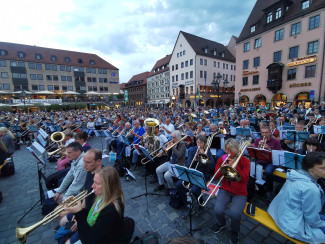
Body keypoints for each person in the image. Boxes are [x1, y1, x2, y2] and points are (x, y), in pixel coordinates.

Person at [268, 152, 325, 243]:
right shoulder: (311, 189)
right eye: (322, 168)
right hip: (291, 224)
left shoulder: (295, 175)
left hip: (280, 212)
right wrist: (321, 224)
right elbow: (312, 219)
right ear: (310, 168)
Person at [64, 167, 125, 244]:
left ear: (108, 186)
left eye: (97, 183)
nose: (92, 186)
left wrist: (79, 214)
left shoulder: (112, 209)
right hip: (91, 228)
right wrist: (78, 211)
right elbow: (93, 211)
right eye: (94, 182)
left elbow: (90, 240)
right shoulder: (100, 194)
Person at [59, 149, 103, 243]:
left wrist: (80, 217)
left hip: (92, 216)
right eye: (83, 161)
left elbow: (97, 207)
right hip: (84, 210)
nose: (84, 165)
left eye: (88, 162)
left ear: (98, 161)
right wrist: (80, 211)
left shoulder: (101, 177)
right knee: (62, 221)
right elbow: (86, 194)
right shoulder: (89, 171)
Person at [213, 138, 250, 244]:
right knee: (217, 210)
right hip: (225, 189)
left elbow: (245, 180)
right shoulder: (222, 159)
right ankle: (222, 224)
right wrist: (223, 167)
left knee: (234, 213)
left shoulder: (245, 161)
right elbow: (216, 176)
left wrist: (236, 166)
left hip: (239, 192)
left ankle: (235, 231)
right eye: (226, 150)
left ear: (237, 149)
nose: (228, 153)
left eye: (231, 150)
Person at [176, 135, 214, 218]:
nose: (199, 145)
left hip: (203, 175)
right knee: (179, 184)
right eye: (197, 142)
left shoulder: (208, 152)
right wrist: (194, 160)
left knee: (195, 190)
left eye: (201, 143)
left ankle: (201, 203)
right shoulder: (193, 150)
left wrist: (205, 156)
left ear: (204, 144)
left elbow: (212, 167)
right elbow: (188, 165)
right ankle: (187, 205)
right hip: (192, 172)